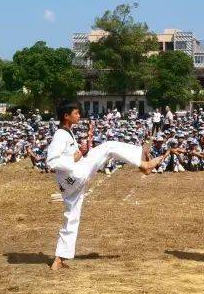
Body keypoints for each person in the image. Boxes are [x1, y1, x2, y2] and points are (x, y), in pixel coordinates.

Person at [47, 100, 167, 271]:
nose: (79, 115)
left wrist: (79, 154)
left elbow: (70, 157)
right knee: (108, 147)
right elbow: (51, 162)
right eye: (76, 113)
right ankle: (144, 164)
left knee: (71, 218)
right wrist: (74, 158)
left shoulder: (66, 133)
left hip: (69, 183)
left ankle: (59, 259)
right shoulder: (60, 134)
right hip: (74, 175)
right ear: (66, 116)